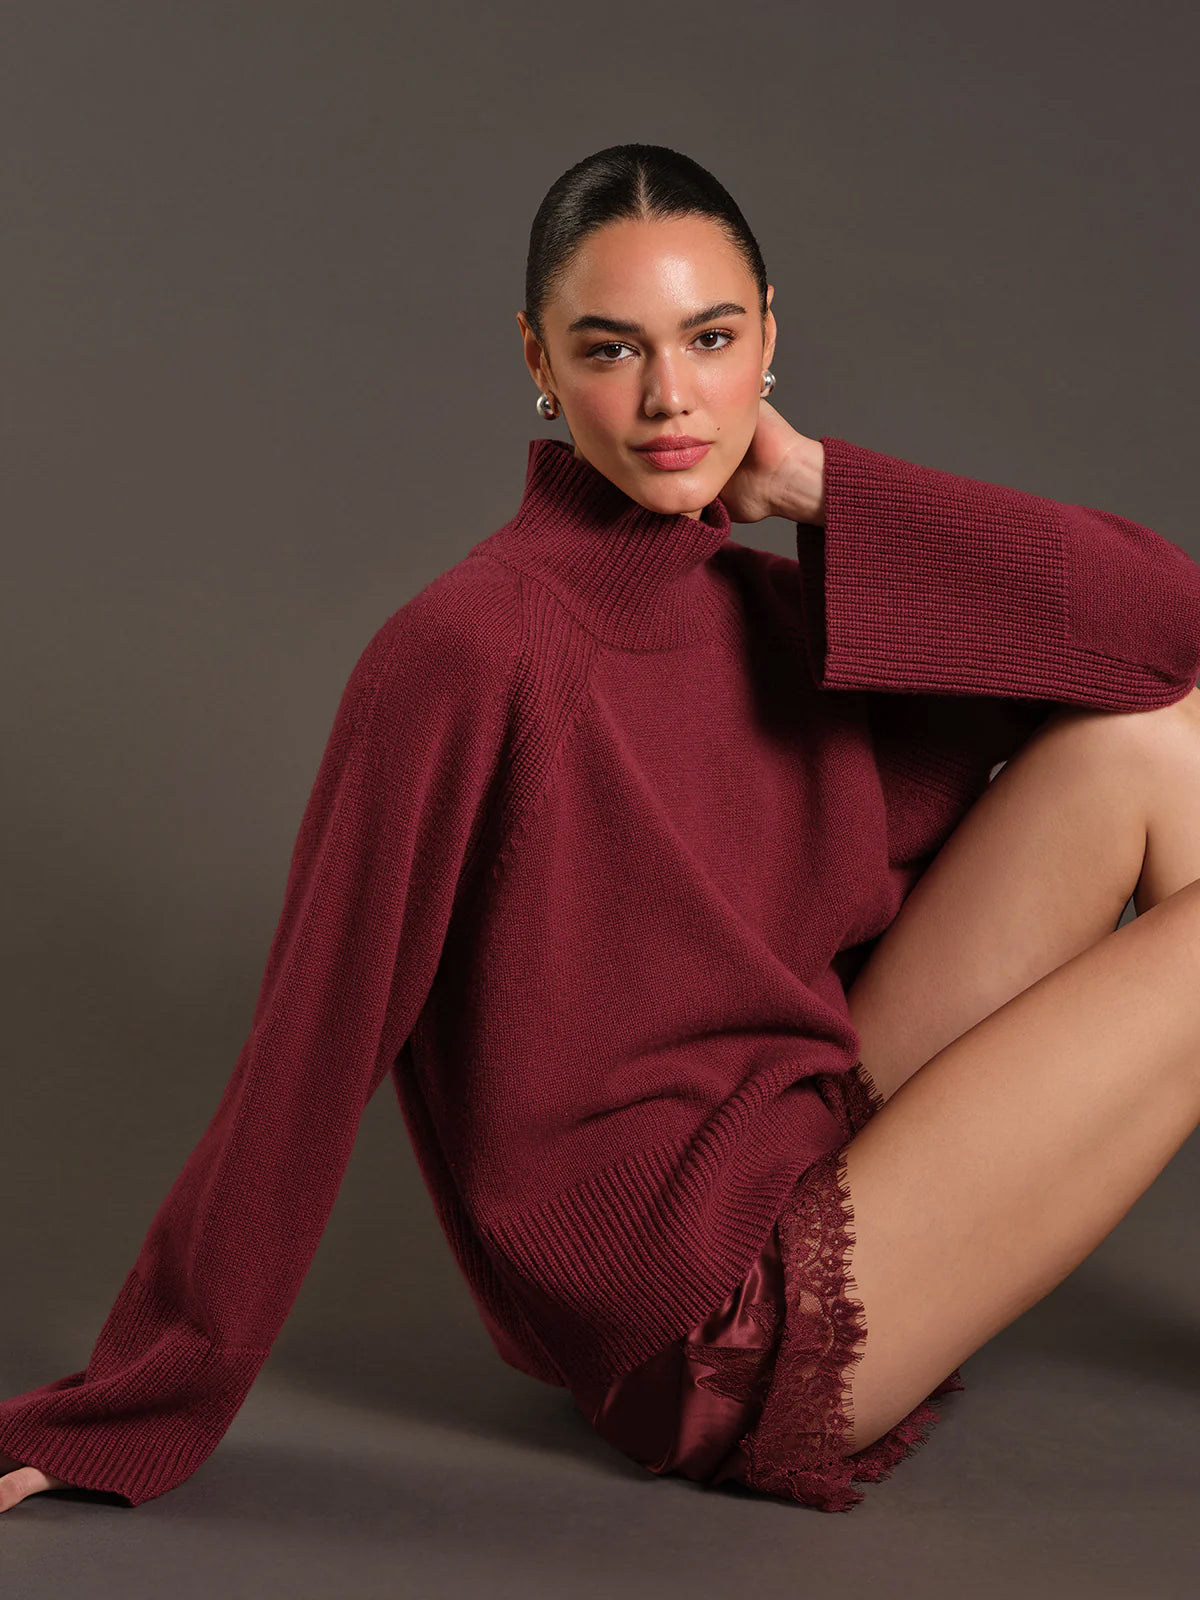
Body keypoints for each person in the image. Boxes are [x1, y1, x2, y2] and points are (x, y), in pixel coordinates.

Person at [4, 141, 1200, 1517]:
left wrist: (820, 487)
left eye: (708, 338)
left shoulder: (773, 616)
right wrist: (131, 1404)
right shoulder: (460, 652)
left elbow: (1164, 634)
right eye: (610, 349)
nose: (670, 398)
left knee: (1150, 742)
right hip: (707, 1315)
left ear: (768, 341)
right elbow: (312, 1041)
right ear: (538, 359)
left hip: (799, 1136)